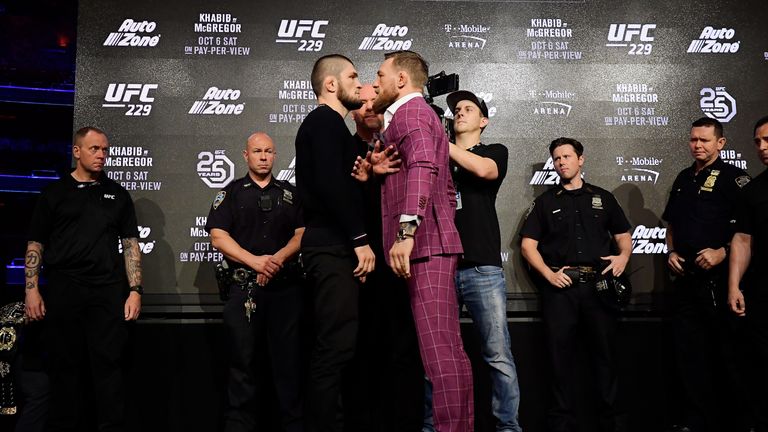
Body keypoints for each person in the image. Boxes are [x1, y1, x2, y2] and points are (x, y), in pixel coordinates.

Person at [371, 50, 474, 432]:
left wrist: (406, 232)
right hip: (433, 246)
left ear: (401, 80)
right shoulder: (414, 117)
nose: (375, 81)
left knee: (440, 360)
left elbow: (424, 170)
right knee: (448, 356)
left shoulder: (413, 113)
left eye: (380, 74)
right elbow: (446, 189)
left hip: (426, 249)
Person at [24, 126, 142, 432]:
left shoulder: (117, 194)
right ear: (77, 151)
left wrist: (135, 290)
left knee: (108, 366)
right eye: (94, 149)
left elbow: (131, 245)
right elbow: (36, 244)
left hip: (106, 291)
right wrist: (32, 290)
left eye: (105, 149)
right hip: (65, 289)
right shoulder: (54, 194)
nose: (102, 155)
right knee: (65, 367)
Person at [519, 137, 631, 432]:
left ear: (580, 160)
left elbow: (624, 236)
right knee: (558, 361)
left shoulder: (603, 198)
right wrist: (549, 274)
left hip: (598, 288)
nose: (561, 162)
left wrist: (622, 259)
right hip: (561, 291)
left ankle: (613, 423)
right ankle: (561, 424)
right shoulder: (545, 202)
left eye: (567, 156)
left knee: (606, 357)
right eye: (556, 158)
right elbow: (528, 246)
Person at [294, 54, 375, 432]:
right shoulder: (324, 122)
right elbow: (328, 185)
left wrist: (364, 175)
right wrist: (359, 240)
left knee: (340, 346)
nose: (360, 84)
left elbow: (342, 181)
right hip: (330, 246)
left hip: (332, 245)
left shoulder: (335, 128)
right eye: (353, 76)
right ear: (330, 84)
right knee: (334, 348)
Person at [205, 132, 305, 432]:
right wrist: (255, 262)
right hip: (243, 290)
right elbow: (218, 237)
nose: (263, 156)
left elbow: (302, 234)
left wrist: (276, 260)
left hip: (285, 290)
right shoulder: (232, 193)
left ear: (275, 155)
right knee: (242, 367)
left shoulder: (291, 193)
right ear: (245, 155)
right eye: (257, 151)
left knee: (289, 367)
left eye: (269, 151)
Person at [662, 117, 751, 432]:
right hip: (686, 282)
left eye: (704, 140)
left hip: (722, 282)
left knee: (728, 356)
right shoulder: (684, 177)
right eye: (693, 140)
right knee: (689, 356)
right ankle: (695, 421)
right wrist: (671, 252)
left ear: (720, 143)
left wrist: (722, 252)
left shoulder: (736, 179)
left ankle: (740, 421)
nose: (697, 145)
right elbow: (671, 224)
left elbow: (748, 231)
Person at [442, 90, 522, 432]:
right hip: (441, 266)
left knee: (498, 355)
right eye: (456, 109)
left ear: (483, 121)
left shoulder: (494, 151)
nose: (460, 113)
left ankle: (508, 427)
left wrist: (439, 141)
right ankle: (439, 425)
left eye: (468, 109)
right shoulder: (437, 155)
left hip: (482, 268)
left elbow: (485, 171)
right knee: (438, 357)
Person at [346, 84, 423, 432]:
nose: (369, 106)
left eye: (373, 99)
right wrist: (366, 181)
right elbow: (338, 209)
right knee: (361, 352)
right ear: (352, 111)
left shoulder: (402, 144)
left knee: (405, 351)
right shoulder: (344, 149)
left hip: (403, 263)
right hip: (359, 268)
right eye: (361, 102)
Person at [728, 115, 768, 432]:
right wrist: (733, 286)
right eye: (757, 142)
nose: (762, 147)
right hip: (762, 291)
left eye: (767, 140)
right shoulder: (753, 190)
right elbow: (742, 239)